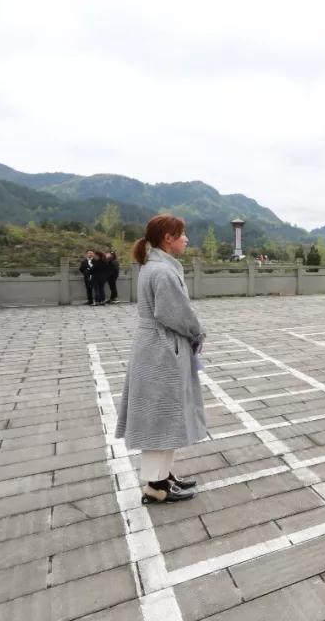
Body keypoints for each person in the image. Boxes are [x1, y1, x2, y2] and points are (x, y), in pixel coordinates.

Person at [116, 215, 205, 504]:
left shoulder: (154, 266)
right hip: (161, 349)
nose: (186, 239)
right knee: (160, 418)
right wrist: (197, 333)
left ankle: (164, 475)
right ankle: (155, 486)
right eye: (182, 234)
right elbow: (175, 314)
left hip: (157, 346)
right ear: (168, 237)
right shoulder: (163, 271)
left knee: (166, 416)